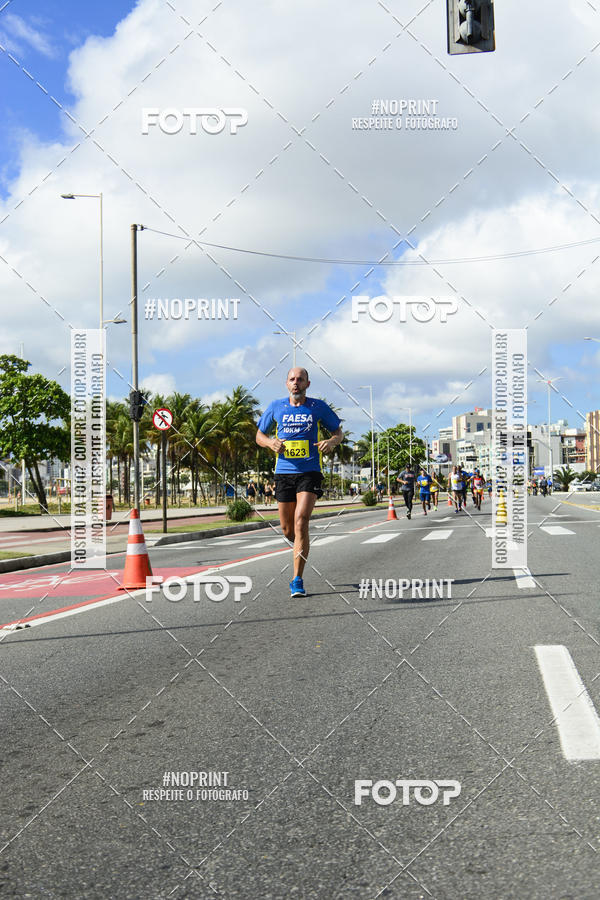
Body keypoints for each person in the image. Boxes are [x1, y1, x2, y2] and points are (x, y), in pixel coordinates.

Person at [256, 367, 343, 598]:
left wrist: (331, 442)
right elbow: (259, 435)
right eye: (292, 379)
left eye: (300, 380)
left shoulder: (317, 407)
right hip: (283, 473)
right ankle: (301, 544)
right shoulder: (276, 406)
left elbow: (338, 432)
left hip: (309, 471)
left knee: (301, 519)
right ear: (286, 383)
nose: (296, 383)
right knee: (288, 530)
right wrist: (271, 443)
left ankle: (297, 579)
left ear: (307, 384)